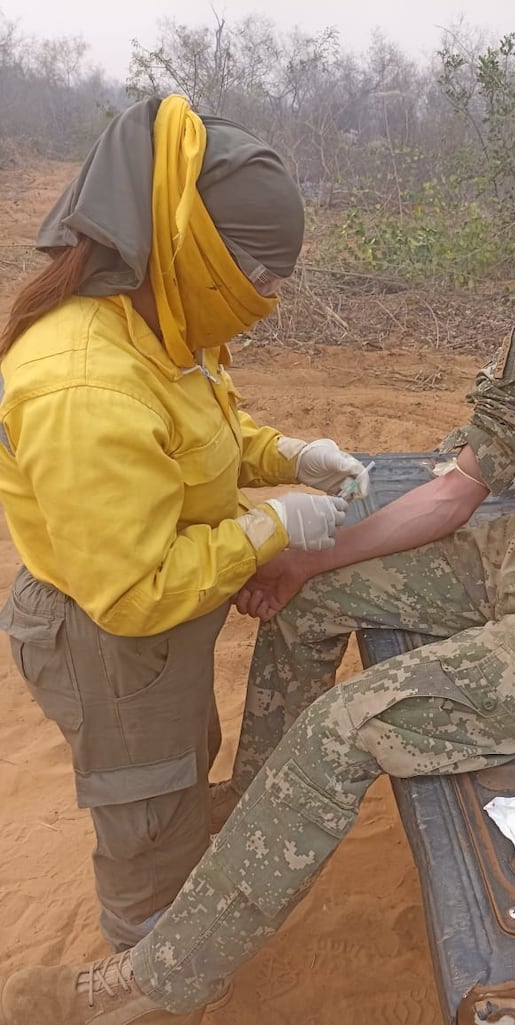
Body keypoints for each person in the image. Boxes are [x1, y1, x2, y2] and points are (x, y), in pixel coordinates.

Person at [2, 0, 515, 1020]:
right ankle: (262, 821)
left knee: (344, 727)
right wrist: (305, 560)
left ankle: (147, 989)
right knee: (310, 598)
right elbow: (465, 474)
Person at [0, 95, 369, 954]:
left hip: (153, 639)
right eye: (262, 278)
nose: (272, 298)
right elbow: (135, 590)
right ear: (200, 254)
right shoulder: (85, 384)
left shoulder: (158, 322)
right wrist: (275, 528)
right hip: (110, 639)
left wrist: (288, 456)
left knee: (179, 758)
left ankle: (171, 886)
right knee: (145, 799)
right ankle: (146, 954)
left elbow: (202, 435)